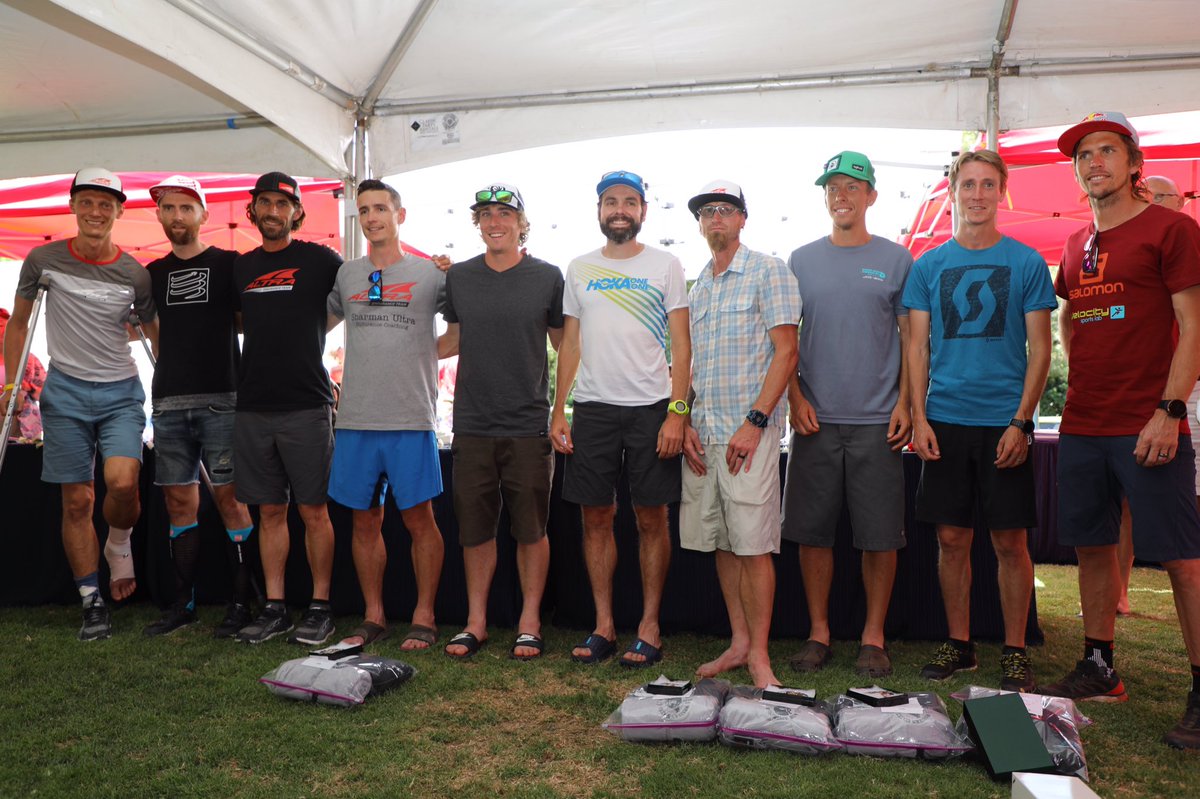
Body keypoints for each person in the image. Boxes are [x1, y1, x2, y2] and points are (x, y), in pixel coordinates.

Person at [1041, 112, 1200, 750]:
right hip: (1084, 422)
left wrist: (1171, 408)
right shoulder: (1076, 244)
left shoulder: (1173, 228)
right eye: (1083, 155)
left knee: (1183, 562)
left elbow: (1193, 324)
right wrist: (1081, 380)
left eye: (1106, 150)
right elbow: (1071, 322)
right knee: (1091, 547)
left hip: (1149, 421)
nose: (1093, 162)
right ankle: (1100, 666)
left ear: (1133, 163)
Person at [905, 149, 1056, 692]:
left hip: (1003, 423)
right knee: (951, 539)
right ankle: (960, 643)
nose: (977, 195)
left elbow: (1041, 350)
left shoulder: (1027, 262)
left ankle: (1014, 649)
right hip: (944, 420)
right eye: (968, 184)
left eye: (987, 185)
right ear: (953, 192)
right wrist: (919, 417)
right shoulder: (928, 266)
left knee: (1010, 542)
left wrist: (1021, 422)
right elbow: (916, 348)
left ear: (1002, 193)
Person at [2, 167, 157, 640]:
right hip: (65, 391)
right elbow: (19, 322)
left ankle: (119, 544)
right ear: (72, 206)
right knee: (77, 500)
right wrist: (12, 383)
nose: (95, 211)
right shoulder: (42, 260)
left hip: (120, 391)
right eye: (87, 201)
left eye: (106, 204)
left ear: (119, 211)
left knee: (123, 482)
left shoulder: (135, 273)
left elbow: (152, 330)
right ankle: (92, 600)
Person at [551, 170, 690, 668]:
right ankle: (604, 625)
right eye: (611, 201)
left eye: (629, 202)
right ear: (599, 210)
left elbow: (682, 344)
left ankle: (650, 625)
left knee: (652, 517)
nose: (620, 209)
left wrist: (677, 411)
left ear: (643, 211)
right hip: (592, 409)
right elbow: (570, 341)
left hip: (652, 408)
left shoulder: (666, 264)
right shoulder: (580, 267)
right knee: (595, 516)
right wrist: (559, 407)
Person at [781, 152, 912, 679]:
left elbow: (914, 341)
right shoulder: (800, 260)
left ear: (871, 196)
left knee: (879, 535)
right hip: (814, 419)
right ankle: (819, 633)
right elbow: (783, 341)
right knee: (813, 534)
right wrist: (793, 396)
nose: (842, 195)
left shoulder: (898, 259)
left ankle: (873, 637)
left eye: (853, 186)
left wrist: (906, 403)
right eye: (833, 187)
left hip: (878, 421)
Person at [681, 180, 800, 688]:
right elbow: (691, 366)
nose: (716, 219)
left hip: (747, 436)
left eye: (725, 210)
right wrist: (684, 418)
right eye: (708, 212)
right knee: (724, 544)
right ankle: (739, 642)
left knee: (753, 546)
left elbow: (787, 352)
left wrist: (755, 423)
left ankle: (761, 658)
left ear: (742, 219)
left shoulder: (768, 271)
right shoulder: (698, 287)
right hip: (706, 435)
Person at [326, 178, 454, 651]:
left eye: (381, 207)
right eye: (365, 210)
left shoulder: (431, 274)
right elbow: (314, 326)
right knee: (364, 521)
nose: (373, 216)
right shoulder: (345, 275)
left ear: (400, 215)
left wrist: (419, 354)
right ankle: (373, 615)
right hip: (356, 417)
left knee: (421, 520)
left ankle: (425, 615)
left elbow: (462, 328)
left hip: (410, 416)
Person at [441, 183, 564, 661]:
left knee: (532, 529)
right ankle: (476, 622)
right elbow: (450, 340)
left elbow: (564, 344)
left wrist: (561, 409)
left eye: (504, 214)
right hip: (471, 425)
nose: (495, 222)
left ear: (521, 222)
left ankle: (529, 622)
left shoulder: (548, 276)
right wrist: (388, 357)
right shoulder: (460, 278)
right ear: (478, 223)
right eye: (486, 214)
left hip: (529, 426)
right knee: (474, 530)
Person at [141, 175, 258, 638]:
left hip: (222, 401)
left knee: (232, 500)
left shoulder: (230, 264)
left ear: (204, 215)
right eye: (168, 209)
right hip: (169, 402)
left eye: (185, 208)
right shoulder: (152, 272)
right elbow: (152, 327)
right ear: (160, 216)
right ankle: (182, 604)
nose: (176, 217)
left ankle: (241, 603)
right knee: (177, 502)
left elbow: (253, 320)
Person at [231, 172, 343, 645]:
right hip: (253, 406)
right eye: (265, 203)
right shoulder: (239, 267)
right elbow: (232, 321)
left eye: (283, 203)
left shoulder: (321, 260)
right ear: (252, 211)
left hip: (307, 404)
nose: (274, 211)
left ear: (297, 212)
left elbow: (361, 293)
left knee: (315, 511)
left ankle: (320, 608)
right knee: (270, 512)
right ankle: (275, 608)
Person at [0, 307, 46, 440]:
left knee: (20, 458)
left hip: (22, 426)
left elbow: (43, 393)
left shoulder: (28, 359)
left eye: (4, 326)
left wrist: (23, 387)